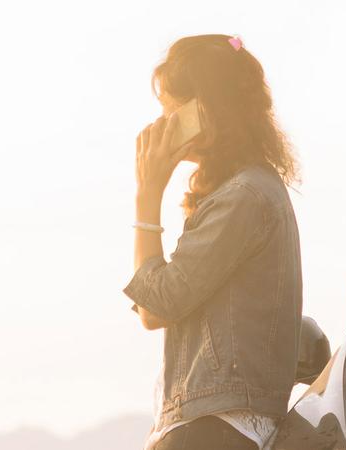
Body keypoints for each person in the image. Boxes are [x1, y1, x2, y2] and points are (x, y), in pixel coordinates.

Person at [122, 34, 302, 450]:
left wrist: (147, 194)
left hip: (213, 429)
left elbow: (157, 306)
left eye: (171, 109)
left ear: (206, 108)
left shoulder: (243, 196)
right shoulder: (246, 191)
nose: (162, 124)